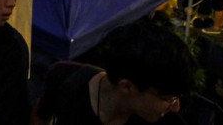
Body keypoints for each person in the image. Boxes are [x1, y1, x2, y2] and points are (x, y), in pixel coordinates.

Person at [31, 19, 196, 125]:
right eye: (168, 99)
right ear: (126, 87)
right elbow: (41, 115)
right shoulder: (67, 79)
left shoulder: (169, 121)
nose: (175, 107)